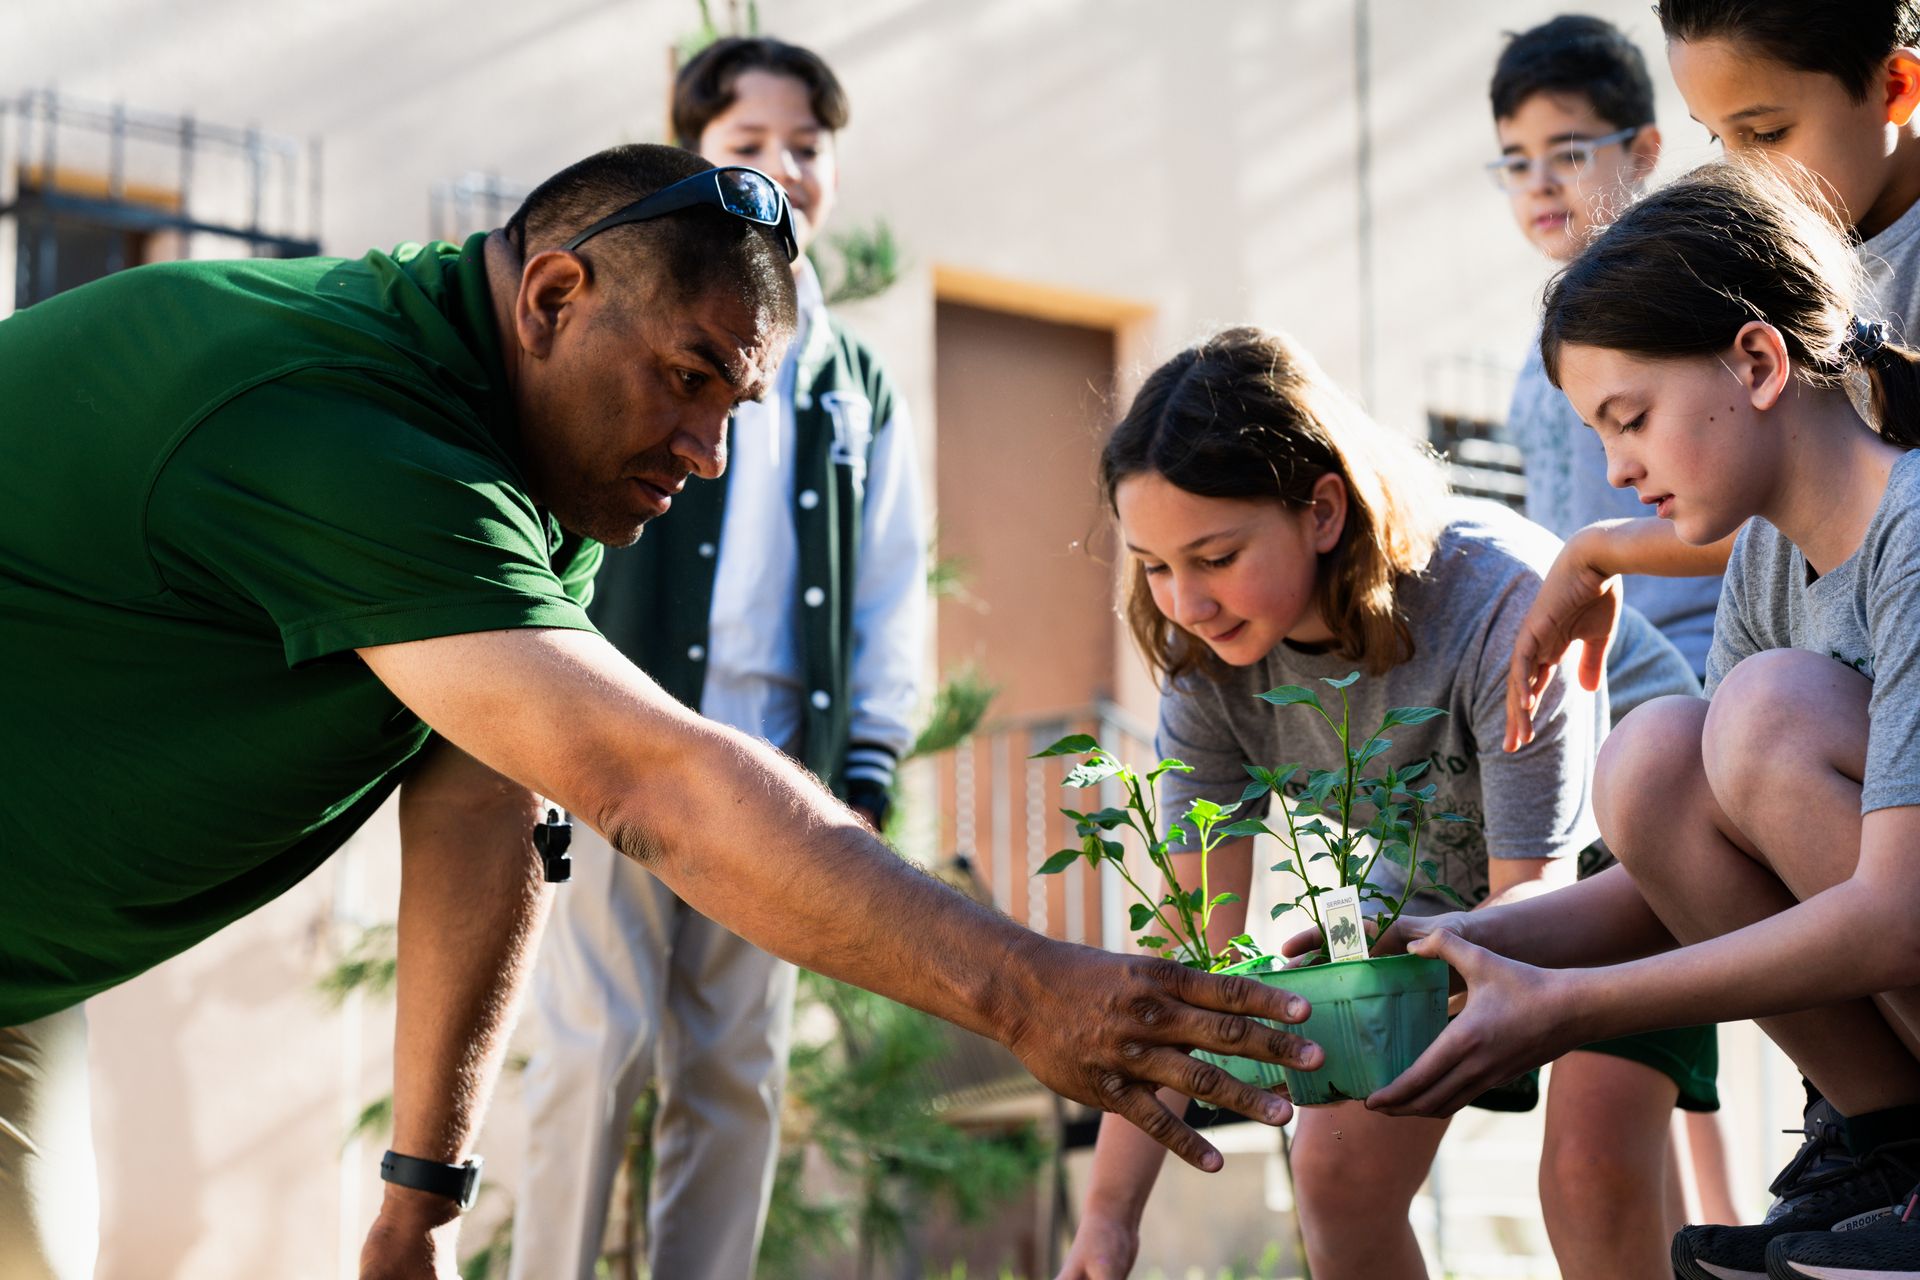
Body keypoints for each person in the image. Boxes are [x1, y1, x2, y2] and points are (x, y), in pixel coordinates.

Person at [0, 142, 1325, 1280]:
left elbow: (486, 801)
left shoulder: (518, 469)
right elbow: (650, 786)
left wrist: (420, 1199)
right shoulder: (337, 427)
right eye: (690, 378)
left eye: (739, 402)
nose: (713, 450)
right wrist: (1028, 989)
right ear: (555, 295)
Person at [1362, 159, 1920, 1280]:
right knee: (1654, 759)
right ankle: (1892, 1149)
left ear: (1759, 362)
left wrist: (1572, 1008)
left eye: (1632, 420)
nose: (1618, 471)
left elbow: (1896, 914)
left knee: (1750, 720)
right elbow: (1678, 881)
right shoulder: (1771, 556)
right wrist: (1464, 942)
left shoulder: (1910, 532)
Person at [1053, 327, 1700, 1280]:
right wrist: (1108, 1221)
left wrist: (1419, 950)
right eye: (1153, 566)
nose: (1184, 601)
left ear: (1322, 511)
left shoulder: (1498, 598)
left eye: (1216, 556)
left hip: (1628, 847)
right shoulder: (1209, 668)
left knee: (1592, 1170)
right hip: (1433, 881)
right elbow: (1189, 948)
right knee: (1335, 1173)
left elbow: (1538, 895)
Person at [511, 39, 923, 1280]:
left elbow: (891, 576)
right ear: (692, 153)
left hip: (777, 770)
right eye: (750, 147)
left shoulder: (852, 379)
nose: (785, 170)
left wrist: (868, 756)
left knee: (738, 1061)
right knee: (600, 1040)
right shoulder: (634, 323)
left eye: (807, 148)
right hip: (617, 744)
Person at [1487, 12, 1742, 1243]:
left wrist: (1601, 557)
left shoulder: (1702, 293)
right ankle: (1722, 1208)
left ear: (1645, 149)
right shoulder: (1527, 365)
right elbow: (1553, 561)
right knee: (1599, 1161)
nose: (1541, 182)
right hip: (1610, 733)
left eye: (1567, 151)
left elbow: (1770, 506)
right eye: (1515, 159)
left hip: (1719, 696)